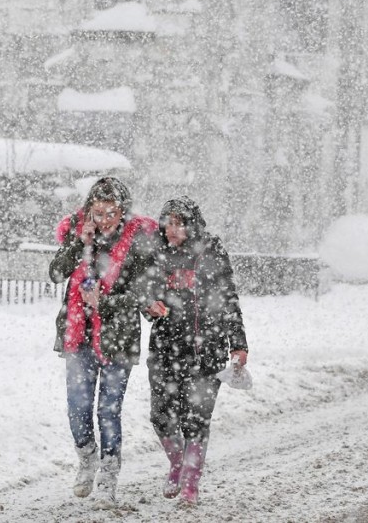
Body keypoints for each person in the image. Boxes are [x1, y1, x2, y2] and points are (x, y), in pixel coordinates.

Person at [48, 177, 159, 507]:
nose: (104, 219)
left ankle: (109, 477)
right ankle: (87, 458)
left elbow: (145, 294)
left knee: (108, 411)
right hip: (78, 335)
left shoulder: (138, 242)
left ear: (122, 211)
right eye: (97, 212)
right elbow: (55, 273)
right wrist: (77, 244)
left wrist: (105, 303)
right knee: (77, 407)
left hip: (118, 339)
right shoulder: (81, 235)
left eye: (111, 212)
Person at [144, 196, 249, 506]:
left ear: (192, 225)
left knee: (196, 420)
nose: (172, 230)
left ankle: (191, 481)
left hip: (207, 350)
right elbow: (144, 294)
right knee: (161, 416)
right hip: (165, 349)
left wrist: (238, 344)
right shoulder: (156, 254)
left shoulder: (212, 252)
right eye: (168, 223)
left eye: (179, 223)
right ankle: (177, 464)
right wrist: (150, 306)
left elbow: (229, 300)